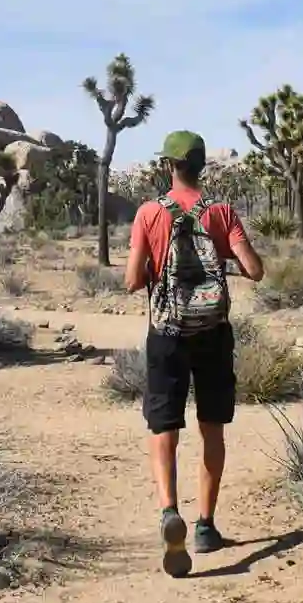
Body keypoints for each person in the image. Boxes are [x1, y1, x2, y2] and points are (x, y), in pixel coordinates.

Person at [124, 129, 264, 577]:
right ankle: (205, 525)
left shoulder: (149, 212)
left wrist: (152, 265)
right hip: (213, 332)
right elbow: (255, 270)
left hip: (165, 332)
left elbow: (130, 281)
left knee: (164, 424)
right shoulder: (221, 212)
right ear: (202, 166)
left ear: (168, 165)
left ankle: (169, 511)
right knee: (212, 427)